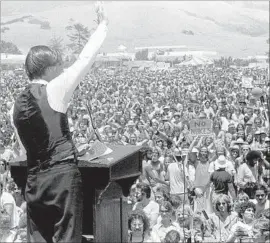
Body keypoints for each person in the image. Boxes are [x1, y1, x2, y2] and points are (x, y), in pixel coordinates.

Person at [11, 3, 108, 242]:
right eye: (59, 67)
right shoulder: (56, 88)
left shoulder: (15, 105)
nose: (62, 70)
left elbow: (26, 149)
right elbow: (86, 59)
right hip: (61, 180)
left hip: (34, 183)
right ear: (49, 68)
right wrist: (103, 24)